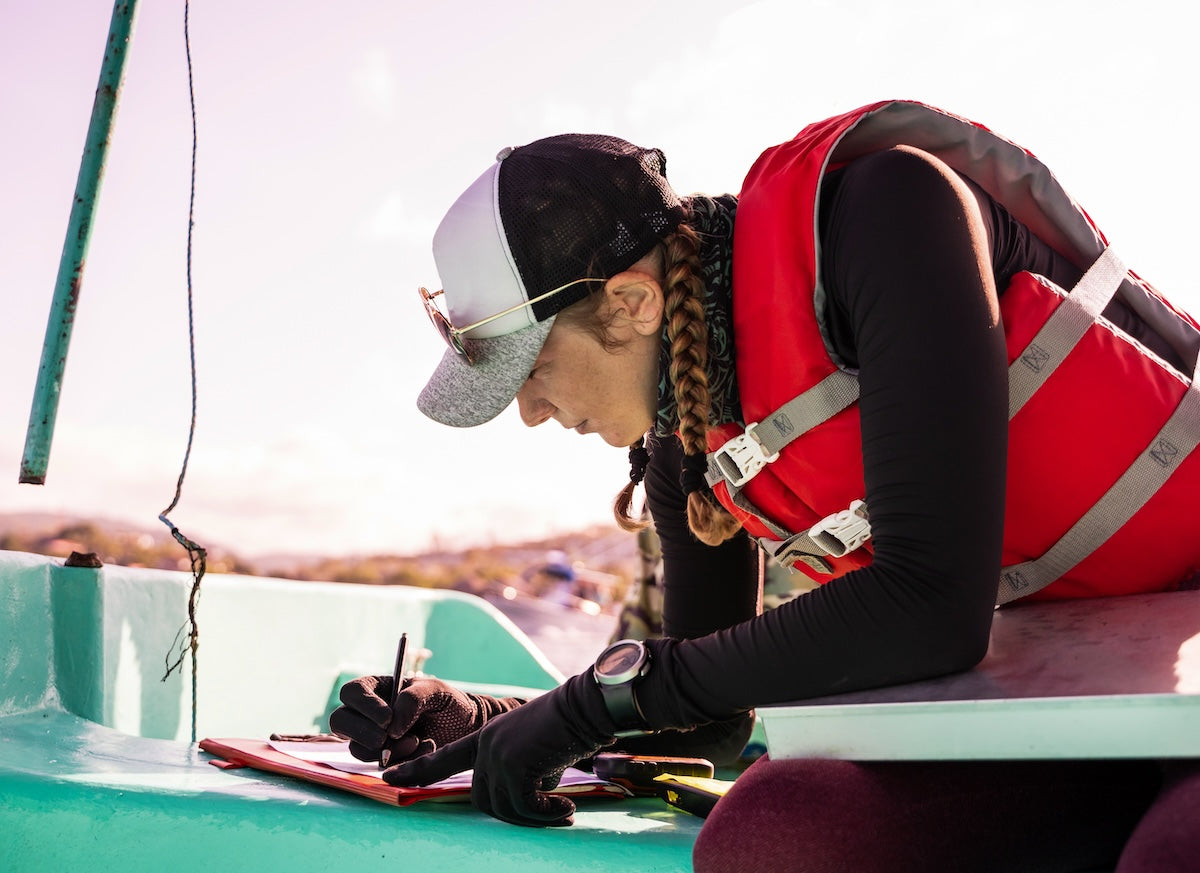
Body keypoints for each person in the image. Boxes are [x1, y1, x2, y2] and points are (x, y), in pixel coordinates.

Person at [330, 100, 1200, 872]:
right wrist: (483, 717)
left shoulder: (890, 212)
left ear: (631, 303)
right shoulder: (691, 443)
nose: (526, 413)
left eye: (532, 368)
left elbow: (933, 602)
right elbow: (704, 717)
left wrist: (596, 701)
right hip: (1057, 719)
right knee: (773, 836)